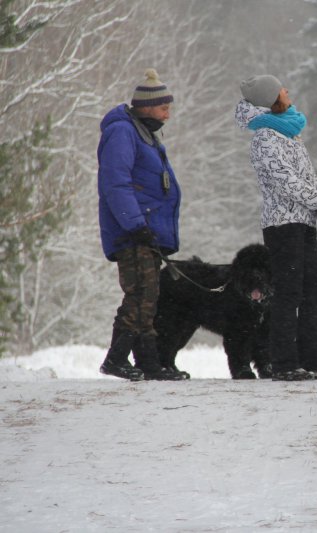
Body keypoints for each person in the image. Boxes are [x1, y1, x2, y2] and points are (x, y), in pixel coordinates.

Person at [234, 74, 317, 381]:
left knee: (316, 292)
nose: (287, 91)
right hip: (282, 226)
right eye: (282, 89)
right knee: (289, 294)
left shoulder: (289, 135)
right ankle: (283, 363)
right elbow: (285, 182)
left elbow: (307, 177)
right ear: (272, 98)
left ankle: (312, 361)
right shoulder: (265, 139)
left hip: (304, 222)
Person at [97, 68, 187, 381]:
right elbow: (115, 183)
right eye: (164, 107)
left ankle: (149, 363)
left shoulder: (143, 132)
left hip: (146, 232)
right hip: (133, 232)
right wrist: (136, 224)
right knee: (140, 295)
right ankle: (116, 358)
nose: (168, 114)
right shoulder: (123, 131)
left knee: (149, 297)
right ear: (146, 106)